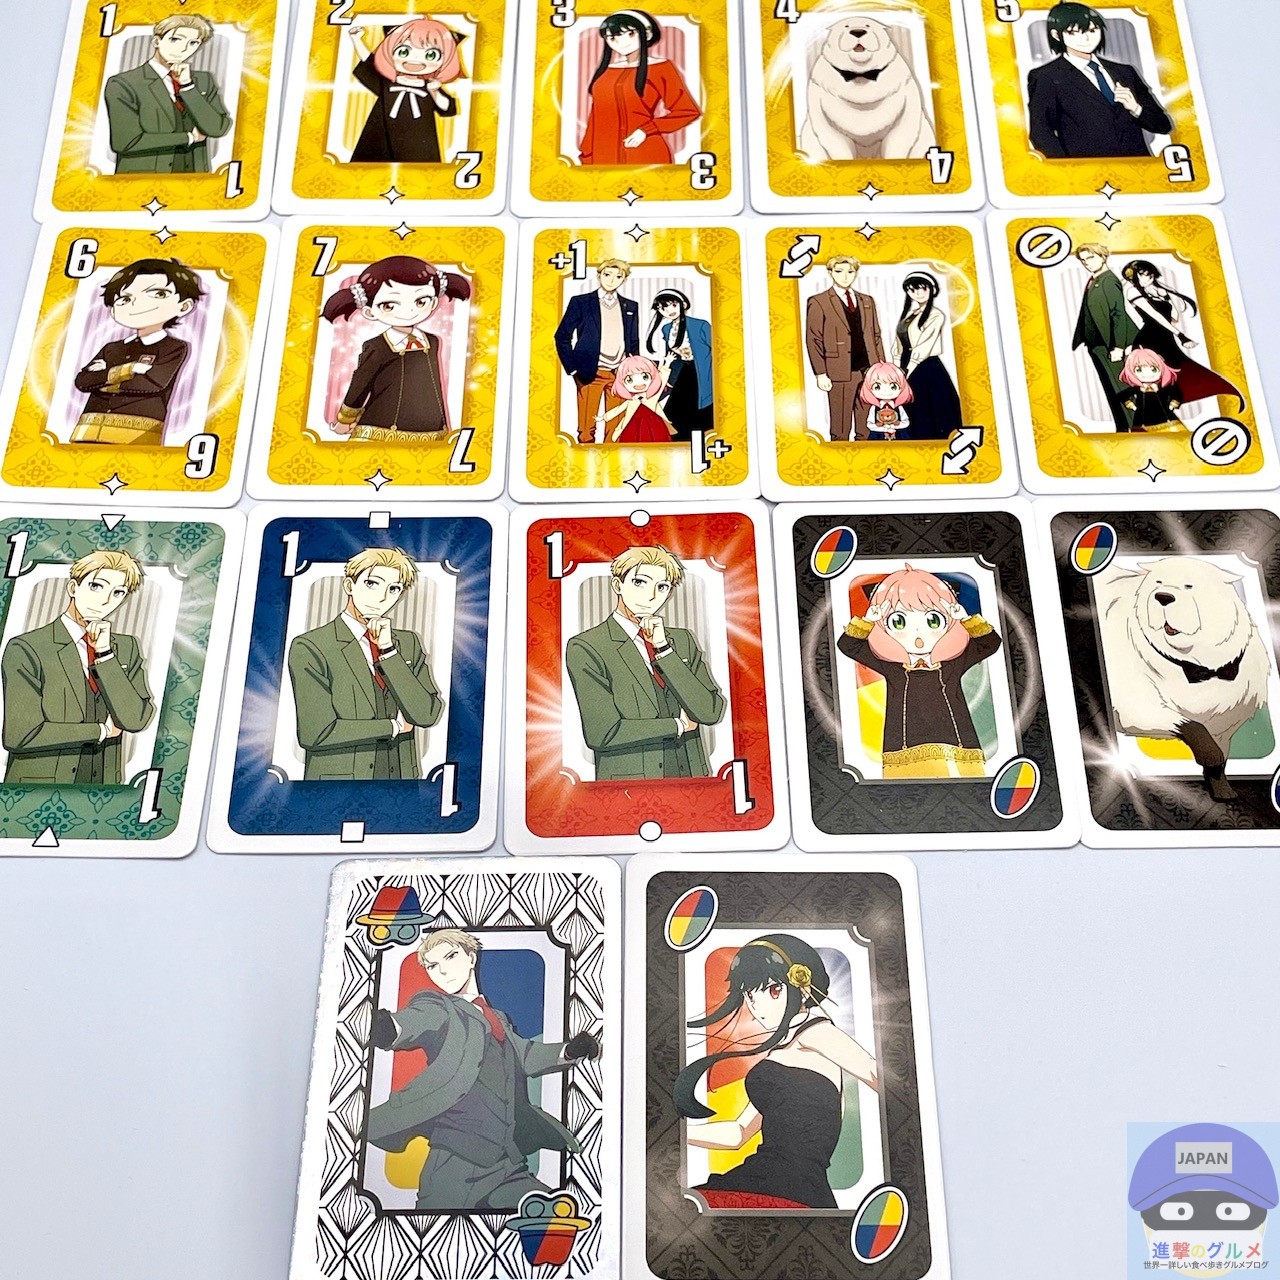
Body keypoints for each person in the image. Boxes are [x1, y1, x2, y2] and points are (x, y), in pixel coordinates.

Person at [366, 928, 601, 1213]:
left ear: (471, 957)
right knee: (431, 1233)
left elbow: (526, 1055)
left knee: (553, 1215)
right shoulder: (438, 1006)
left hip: (506, 1162)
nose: (443, 971)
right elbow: (412, 1022)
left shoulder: (497, 1017)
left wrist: (570, 1051)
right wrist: (385, 1027)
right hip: (455, 1163)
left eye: (450, 957)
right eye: (432, 966)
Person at [673, 934, 878, 1211]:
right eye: (749, 994)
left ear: (803, 990)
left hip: (789, 1184)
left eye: (772, 989)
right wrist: (678, 1133)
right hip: (769, 1177)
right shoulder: (784, 1050)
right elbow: (738, 1133)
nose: (756, 1004)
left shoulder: (816, 1031)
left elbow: (879, 1075)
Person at [565, 545, 725, 781]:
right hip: (629, 783)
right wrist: (677, 726)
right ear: (617, 585)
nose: (651, 596)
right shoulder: (588, 646)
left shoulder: (681, 640)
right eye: (640, 582)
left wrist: (663, 649)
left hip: (693, 778)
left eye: (662, 587)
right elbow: (602, 733)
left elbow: (711, 712)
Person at [287, 547, 444, 781]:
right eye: (372, 584)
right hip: (338, 785)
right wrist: (392, 727)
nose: (382, 597)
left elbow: (427, 715)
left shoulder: (407, 643)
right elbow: (315, 733)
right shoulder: (311, 646)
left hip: (402, 784)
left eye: (393, 588)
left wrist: (388, 651)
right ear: (349, 586)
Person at [2, 550, 154, 786]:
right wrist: (101, 731)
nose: (105, 600)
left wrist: (104, 654)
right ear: (73, 588)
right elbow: (20, 734)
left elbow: (136, 720)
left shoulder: (126, 647)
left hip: (104, 790)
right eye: (96, 586)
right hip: (40, 787)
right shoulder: (27, 647)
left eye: (118, 592)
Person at [836, 565, 1003, 779]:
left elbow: (990, 643)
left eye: (933, 621)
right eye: (899, 622)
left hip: (958, 747)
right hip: (904, 750)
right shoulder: (892, 667)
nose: (918, 634)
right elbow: (848, 646)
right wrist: (868, 621)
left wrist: (965, 618)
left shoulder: (954, 663)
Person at [322, 256, 471, 441]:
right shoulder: (377, 346)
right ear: (369, 312)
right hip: (379, 428)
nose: (408, 312)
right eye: (389, 305)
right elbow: (361, 383)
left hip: (431, 430)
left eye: (421, 301)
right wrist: (346, 419)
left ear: (433, 302)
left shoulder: (432, 341)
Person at [72, 257, 204, 446]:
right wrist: (130, 369)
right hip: (87, 433)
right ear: (113, 309)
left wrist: (103, 378)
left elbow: (153, 384)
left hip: (137, 436)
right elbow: (82, 382)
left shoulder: (174, 347)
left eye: (158, 294)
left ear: (184, 306)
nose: (138, 305)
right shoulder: (112, 348)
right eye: (125, 299)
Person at [1026, 2, 1172, 159]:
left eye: (1092, 30)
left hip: (1138, 165)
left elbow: (1163, 125)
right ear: (1056, 35)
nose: (1086, 38)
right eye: (1073, 32)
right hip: (1087, 168)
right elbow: (1041, 133)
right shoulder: (1046, 76)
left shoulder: (1125, 72)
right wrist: (1070, 168)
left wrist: (1136, 108)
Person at [103, 13, 232, 174]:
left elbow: (218, 128)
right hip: (143, 178)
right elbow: (125, 142)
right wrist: (189, 138)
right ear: (157, 41)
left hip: (194, 179)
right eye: (175, 39)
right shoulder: (124, 83)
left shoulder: (202, 80)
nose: (183, 49)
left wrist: (188, 86)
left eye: (193, 43)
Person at [578, 10, 701, 165]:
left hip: (644, 151)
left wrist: (646, 130)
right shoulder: (606, 71)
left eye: (630, 34)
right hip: (603, 155)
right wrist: (587, 155)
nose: (621, 42)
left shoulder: (661, 68)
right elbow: (596, 115)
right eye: (612, 38)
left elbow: (687, 111)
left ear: (647, 34)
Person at [1121, 259, 1244, 412]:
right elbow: (1156, 316)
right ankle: (1151, 410)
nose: (1147, 278)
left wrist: (1167, 298)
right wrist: (1181, 336)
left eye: (1149, 274)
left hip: (1166, 337)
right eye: (1142, 275)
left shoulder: (1157, 291)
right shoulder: (1133, 291)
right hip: (1150, 339)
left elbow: (1174, 317)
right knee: (1157, 376)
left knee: (1183, 372)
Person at [345, 18, 466, 164]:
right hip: (381, 139)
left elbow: (447, 109)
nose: (415, 59)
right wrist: (356, 39)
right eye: (404, 51)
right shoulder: (387, 83)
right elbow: (369, 63)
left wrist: (434, 92)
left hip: (418, 144)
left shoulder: (430, 87)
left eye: (430, 55)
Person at [554, 260, 640, 444]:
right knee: (586, 429)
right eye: (607, 274)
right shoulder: (581, 302)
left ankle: (612, 458)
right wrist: (573, 368)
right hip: (590, 371)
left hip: (620, 373)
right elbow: (562, 336)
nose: (612, 280)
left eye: (618, 276)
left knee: (616, 429)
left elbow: (633, 341)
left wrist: (634, 370)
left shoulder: (630, 306)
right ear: (599, 275)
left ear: (624, 280)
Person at [804, 257, 884, 441]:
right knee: (840, 426)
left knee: (866, 424)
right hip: (838, 370)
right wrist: (820, 373)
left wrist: (881, 368)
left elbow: (876, 336)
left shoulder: (867, 300)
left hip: (869, 370)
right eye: (839, 271)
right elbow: (813, 339)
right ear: (830, 273)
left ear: (856, 273)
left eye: (850, 272)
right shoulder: (819, 301)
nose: (845, 276)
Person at [1072, 242, 1138, 432]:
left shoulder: (1108, 280)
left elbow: (1118, 313)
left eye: (1090, 257)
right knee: (1111, 388)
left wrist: (1118, 346)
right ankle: (1123, 428)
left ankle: (1135, 428)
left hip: (1110, 344)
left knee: (1122, 388)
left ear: (1102, 257)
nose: (1087, 263)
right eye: (1083, 260)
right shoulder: (1095, 280)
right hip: (1096, 344)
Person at [891, 272, 962, 440]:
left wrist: (908, 369)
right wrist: (897, 367)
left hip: (926, 367)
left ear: (932, 289)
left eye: (922, 288)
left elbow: (925, 345)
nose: (918, 293)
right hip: (906, 365)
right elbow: (898, 343)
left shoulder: (936, 315)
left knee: (929, 409)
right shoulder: (911, 314)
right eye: (912, 290)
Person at [645, 289, 713, 441]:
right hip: (682, 371)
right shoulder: (666, 329)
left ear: (683, 304)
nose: (669, 310)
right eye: (663, 308)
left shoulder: (700, 325)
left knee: (701, 409)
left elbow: (717, 350)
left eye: (673, 305)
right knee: (676, 412)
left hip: (702, 371)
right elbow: (672, 356)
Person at [596, 356, 675, 443]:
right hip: (633, 426)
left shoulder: (652, 397)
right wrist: (604, 417)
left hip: (654, 424)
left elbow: (663, 379)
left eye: (645, 377)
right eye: (630, 380)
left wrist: (667, 364)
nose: (639, 383)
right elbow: (618, 410)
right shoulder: (631, 401)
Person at [1118, 348, 1182, 432]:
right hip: (1142, 423)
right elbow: (1121, 395)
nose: (1147, 374)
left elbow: (1177, 393)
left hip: (1166, 420)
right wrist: (1132, 406)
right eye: (1139, 370)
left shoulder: (1163, 387)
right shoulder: (1137, 389)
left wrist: (1172, 405)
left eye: (1154, 369)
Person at [859, 361, 913, 442]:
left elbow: (906, 422)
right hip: (878, 438)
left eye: (893, 387)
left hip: (899, 438)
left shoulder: (899, 407)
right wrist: (884, 428)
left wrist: (895, 426)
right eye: (877, 387)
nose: (885, 391)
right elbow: (869, 424)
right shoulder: (874, 408)